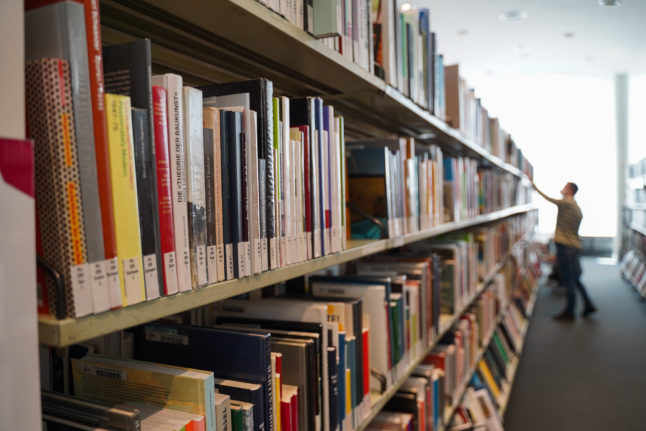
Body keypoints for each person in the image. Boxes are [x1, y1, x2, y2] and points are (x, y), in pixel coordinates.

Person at [532, 181, 597, 320]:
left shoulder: (566, 203)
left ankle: (569, 312)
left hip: (565, 248)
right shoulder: (576, 208)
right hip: (574, 247)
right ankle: (588, 304)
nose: (562, 188)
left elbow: (548, 198)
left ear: (570, 190)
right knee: (576, 278)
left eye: (565, 187)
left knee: (568, 281)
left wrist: (533, 185)